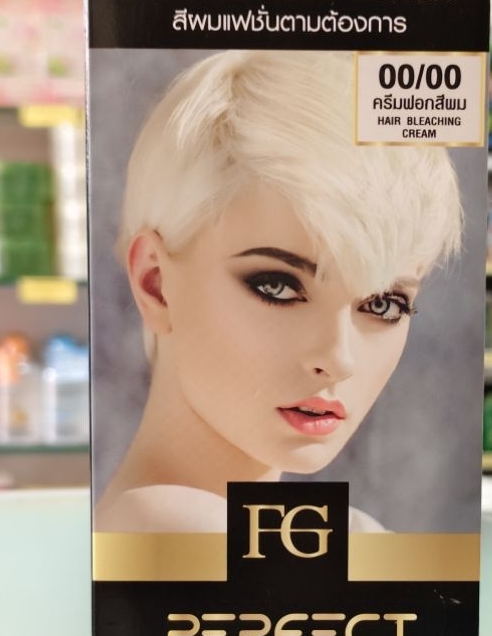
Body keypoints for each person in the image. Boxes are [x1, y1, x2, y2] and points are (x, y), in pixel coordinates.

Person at [94, 49, 463, 533]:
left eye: (383, 304)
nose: (339, 359)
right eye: (278, 287)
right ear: (156, 284)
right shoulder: (173, 527)